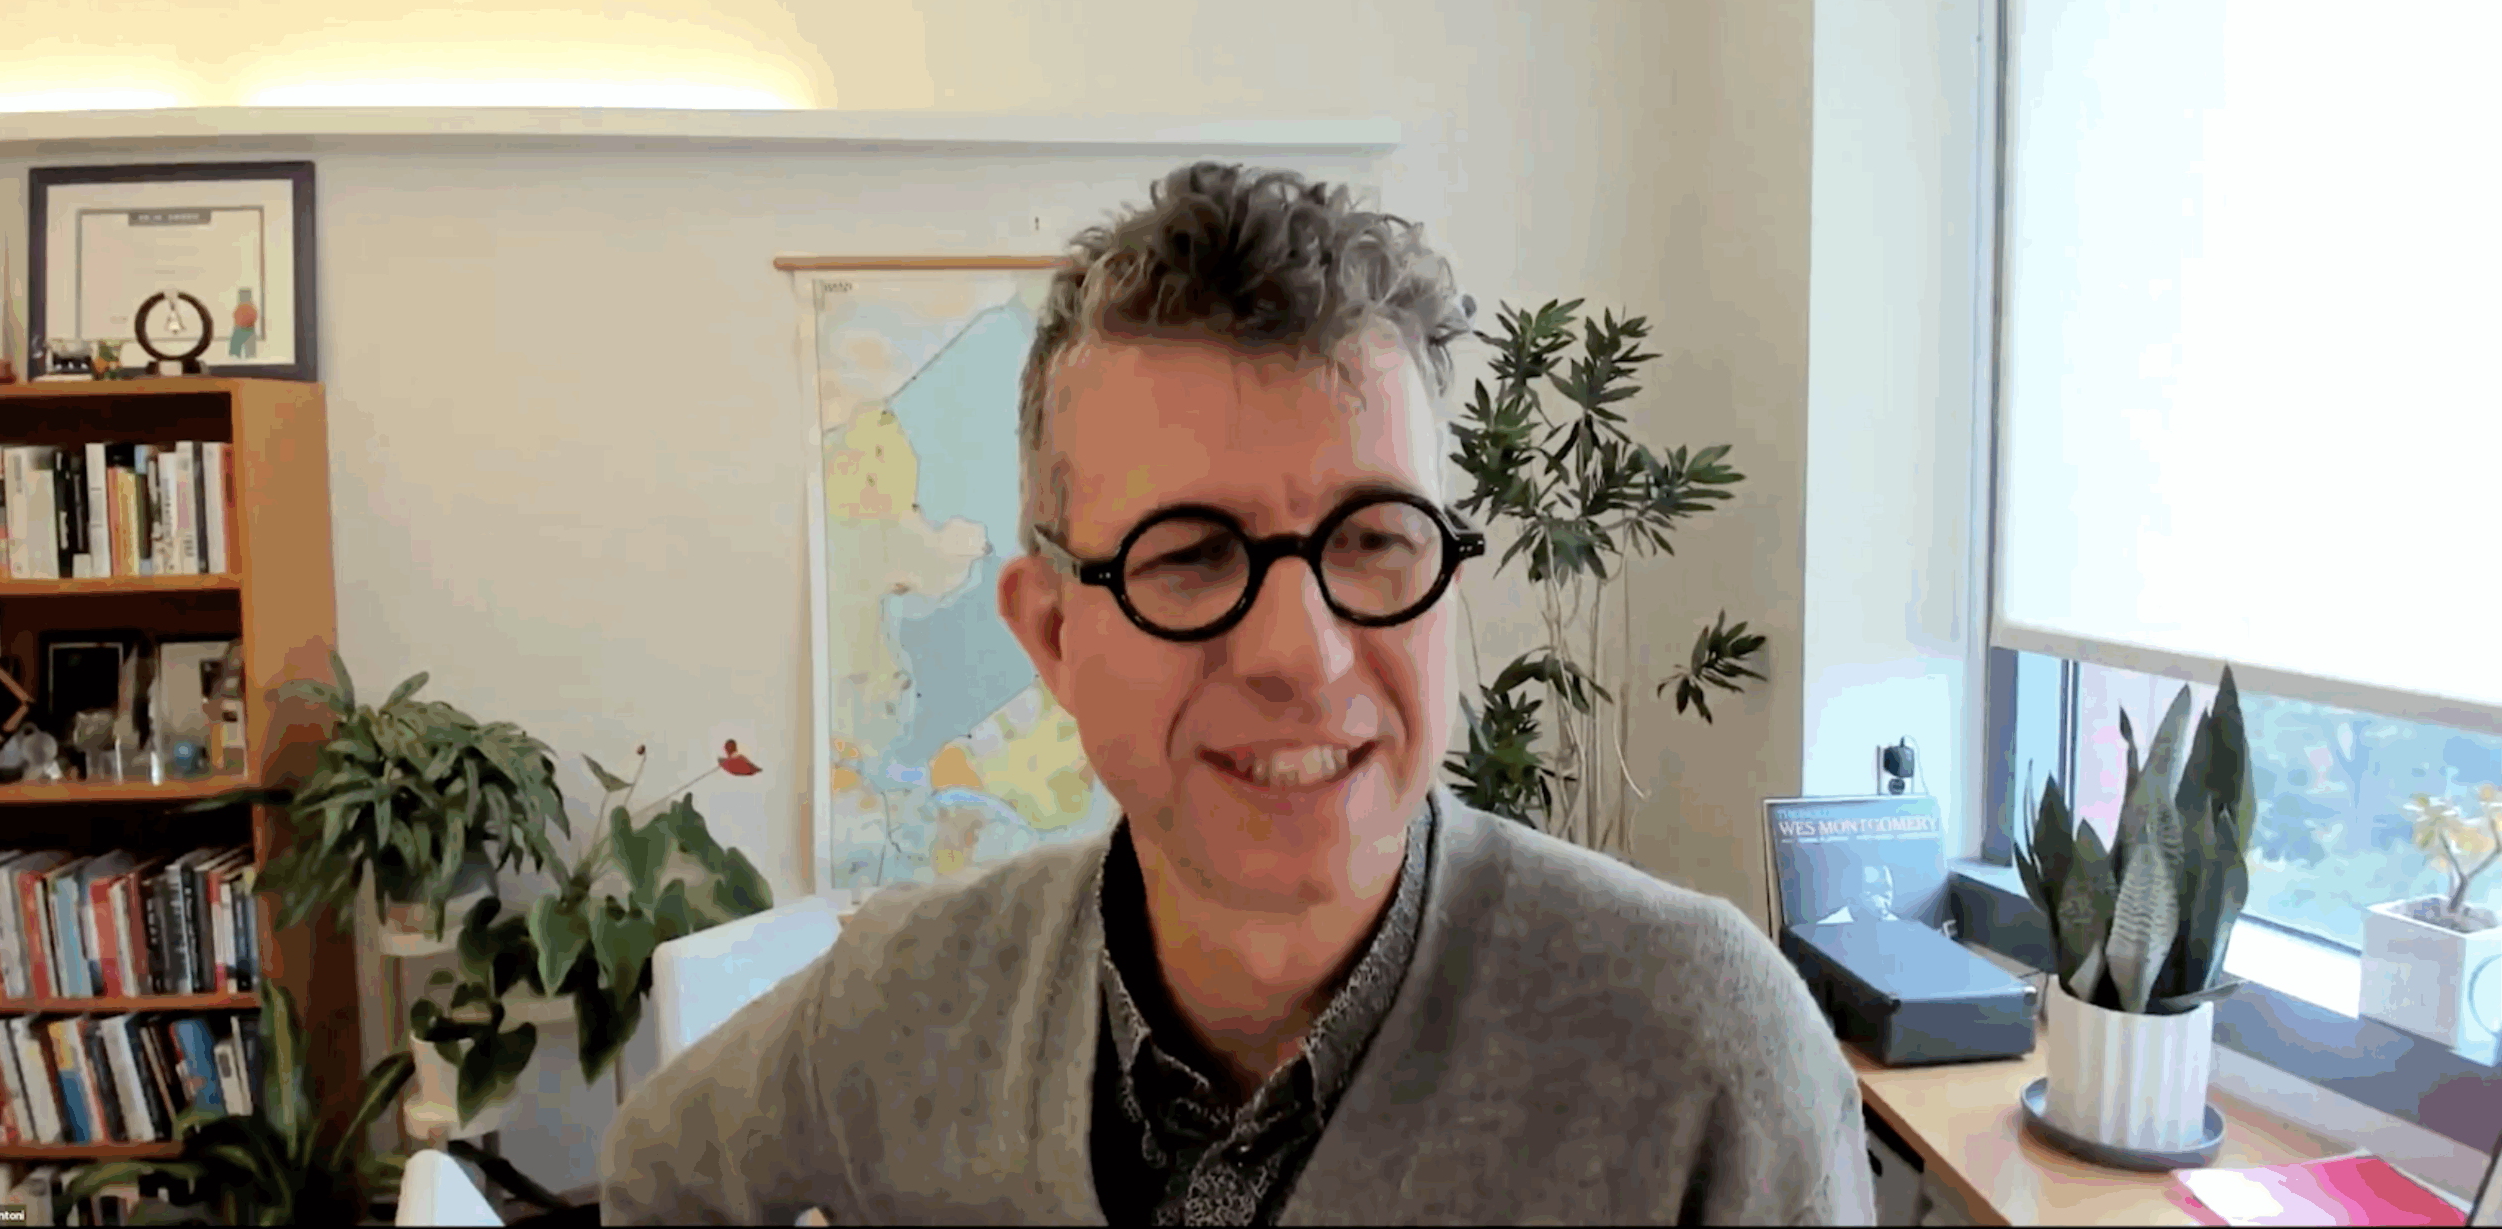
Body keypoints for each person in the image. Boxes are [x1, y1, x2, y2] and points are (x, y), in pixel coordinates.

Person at [600, 163, 1872, 1225]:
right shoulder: (906, 1002)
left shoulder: (1701, 1056)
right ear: (1051, 634)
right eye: (1192, 555)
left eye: (1373, 538)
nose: (1299, 654)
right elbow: (659, 1180)